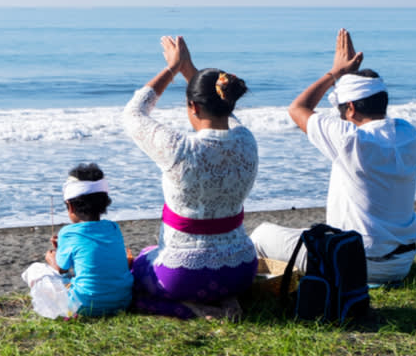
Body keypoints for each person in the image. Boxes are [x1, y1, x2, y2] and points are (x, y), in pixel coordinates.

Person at [250, 28, 416, 285]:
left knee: (262, 234)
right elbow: (339, 115)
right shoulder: (408, 133)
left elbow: (298, 109)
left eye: (342, 109)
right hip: (401, 263)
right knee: (307, 234)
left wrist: (336, 72)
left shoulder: (351, 140)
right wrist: (349, 79)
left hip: (353, 263)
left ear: (350, 108)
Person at [122, 35, 258, 320]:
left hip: (182, 277)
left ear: (193, 107)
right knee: (154, 253)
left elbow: (133, 114)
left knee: (130, 279)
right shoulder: (247, 141)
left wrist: (173, 68)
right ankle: (228, 300)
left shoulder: (180, 148)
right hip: (242, 270)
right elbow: (226, 114)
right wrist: (191, 72)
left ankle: (197, 311)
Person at [21, 163, 133, 318]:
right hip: (122, 302)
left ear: (71, 207)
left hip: (84, 307)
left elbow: (62, 268)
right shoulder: (113, 228)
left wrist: (52, 258)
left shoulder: (68, 232)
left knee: (35, 269)